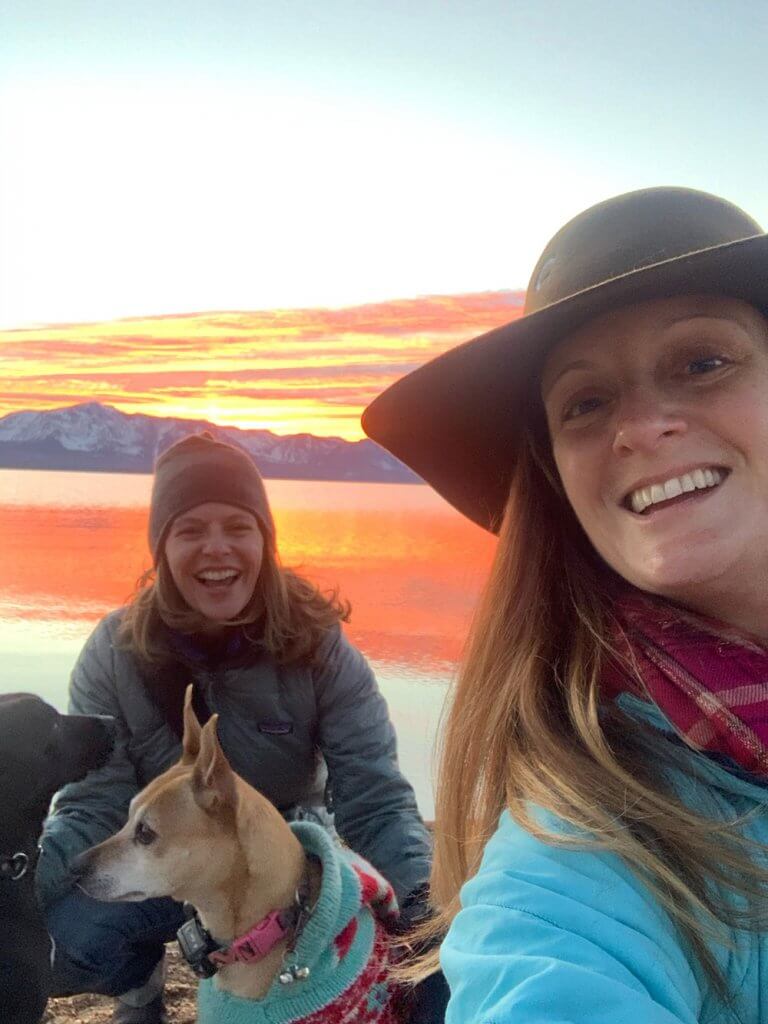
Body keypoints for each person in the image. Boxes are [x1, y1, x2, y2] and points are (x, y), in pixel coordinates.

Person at [362, 186, 768, 1023]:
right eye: (584, 403)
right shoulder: (582, 857)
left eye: (702, 362)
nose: (641, 426)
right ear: (555, 478)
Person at [38, 431, 442, 1023]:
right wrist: (22, 885)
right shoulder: (115, 651)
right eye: (190, 530)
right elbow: (93, 803)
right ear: (162, 548)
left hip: (280, 875)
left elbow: (375, 798)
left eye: (237, 526)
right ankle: (141, 985)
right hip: (156, 859)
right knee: (63, 939)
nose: (216, 548)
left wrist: (425, 907)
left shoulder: (317, 644)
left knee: (432, 969)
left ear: (265, 541)